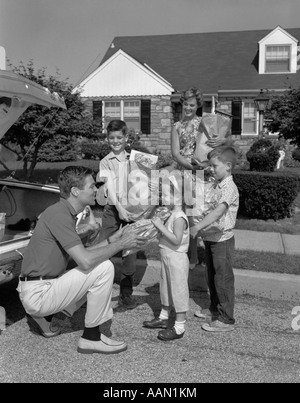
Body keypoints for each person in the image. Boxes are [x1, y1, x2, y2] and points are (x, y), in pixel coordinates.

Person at [17, 166, 146, 355]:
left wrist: (114, 239)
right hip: (39, 293)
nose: (97, 190)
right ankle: (91, 338)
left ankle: (50, 316)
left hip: (41, 286)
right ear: (76, 191)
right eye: (92, 186)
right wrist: (121, 244)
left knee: (96, 263)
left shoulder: (62, 212)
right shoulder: (59, 215)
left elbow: (82, 253)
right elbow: (86, 261)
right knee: (103, 267)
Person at [171, 87, 226, 271]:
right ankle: (190, 257)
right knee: (187, 216)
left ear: (197, 106)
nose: (188, 107)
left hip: (204, 174)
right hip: (185, 175)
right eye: (185, 104)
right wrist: (190, 167)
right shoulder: (176, 126)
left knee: (203, 214)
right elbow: (175, 153)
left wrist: (219, 142)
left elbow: (221, 142)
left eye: (192, 104)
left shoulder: (205, 123)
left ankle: (212, 255)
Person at [190, 146, 239, 332]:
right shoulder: (217, 184)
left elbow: (219, 211)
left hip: (223, 240)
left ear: (227, 166)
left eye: (215, 166)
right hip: (212, 237)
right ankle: (214, 310)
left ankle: (226, 319)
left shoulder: (229, 188)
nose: (212, 169)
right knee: (212, 277)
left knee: (223, 279)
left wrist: (197, 226)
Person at [96, 119, 138, 310]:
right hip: (113, 210)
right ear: (107, 139)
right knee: (103, 248)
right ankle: (95, 291)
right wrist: (120, 209)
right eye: (111, 138)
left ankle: (125, 295)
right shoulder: (105, 162)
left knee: (129, 250)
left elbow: (142, 183)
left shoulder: (134, 159)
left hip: (132, 208)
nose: (115, 141)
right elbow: (110, 189)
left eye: (119, 137)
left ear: (126, 138)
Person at [143, 177, 190, 341]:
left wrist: (160, 226)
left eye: (165, 195)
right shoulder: (169, 213)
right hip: (167, 257)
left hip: (176, 259)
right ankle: (164, 316)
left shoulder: (179, 217)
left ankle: (179, 326)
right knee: (166, 287)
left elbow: (176, 240)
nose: (162, 199)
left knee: (178, 290)